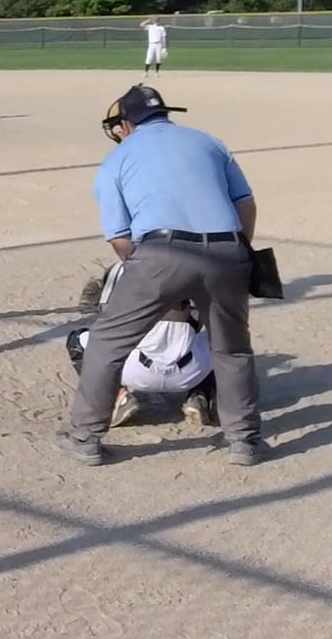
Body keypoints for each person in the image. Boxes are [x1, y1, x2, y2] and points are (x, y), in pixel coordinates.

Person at [55, 83, 264, 467]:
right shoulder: (209, 142)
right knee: (232, 349)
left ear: (126, 124)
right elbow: (246, 205)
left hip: (161, 251)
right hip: (227, 249)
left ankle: (85, 437)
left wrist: (154, 276)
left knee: (106, 343)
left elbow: (120, 239)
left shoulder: (118, 159)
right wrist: (237, 252)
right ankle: (245, 441)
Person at [64, 262, 217, 430]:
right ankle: (200, 396)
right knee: (221, 341)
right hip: (190, 373)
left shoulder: (124, 269)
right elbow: (205, 320)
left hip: (135, 371)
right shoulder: (199, 269)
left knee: (77, 340)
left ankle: (117, 398)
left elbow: (106, 316)